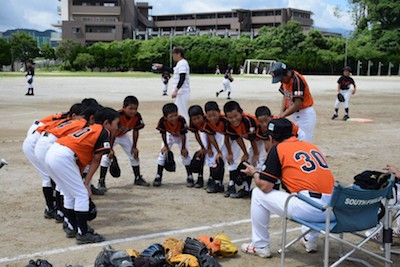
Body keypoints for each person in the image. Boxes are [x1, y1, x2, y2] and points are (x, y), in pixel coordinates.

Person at [240, 118, 335, 258]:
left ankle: (260, 246)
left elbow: (265, 187)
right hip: (333, 209)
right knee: (307, 192)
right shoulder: (311, 146)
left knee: (258, 193)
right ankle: (310, 240)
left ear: (272, 138)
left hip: (310, 209)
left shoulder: (278, 149)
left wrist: (254, 173)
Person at [45, 107, 119, 244]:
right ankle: (83, 233)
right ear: (107, 123)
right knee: (81, 194)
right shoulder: (104, 132)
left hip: (53, 153)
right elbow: (96, 160)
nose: (117, 127)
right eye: (116, 124)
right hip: (63, 156)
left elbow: (82, 157)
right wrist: (87, 184)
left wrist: (81, 180)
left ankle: (72, 227)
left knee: (69, 193)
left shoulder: (92, 128)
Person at [97, 96, 149, 192]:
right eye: (130, 108)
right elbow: (112, 132)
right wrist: (110, 148)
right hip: (113, 136)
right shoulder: (118, 115)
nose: (133, 111)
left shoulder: (137, 116)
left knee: (134, 154)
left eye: (135, 109)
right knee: (106, 156)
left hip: (123, 136)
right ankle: (101, 180)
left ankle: (137, 178)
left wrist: (134, 147)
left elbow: (136, 131)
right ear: (123, 107)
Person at [270, 62, 316, 142]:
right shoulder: (285, 81)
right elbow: (285, 95)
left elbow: (297, 104)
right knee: (295, 140)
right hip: (295, 114)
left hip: (305, 115)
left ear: (287, 74)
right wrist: (281, 112)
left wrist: (283, 115)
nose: (280, 81)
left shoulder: (297, 80)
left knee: (304, 141)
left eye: (281, 78)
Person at [223, 101, 259, 199]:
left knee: (257, 162)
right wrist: (245, 153)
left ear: (241, 112)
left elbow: (253, 139)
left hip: (261, 140)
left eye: (236, 116)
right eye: (230, 117)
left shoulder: (248, 120)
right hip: (254, 141)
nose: (233, 119)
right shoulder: (230, 124)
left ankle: (263, 190)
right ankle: (246, 188)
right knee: (247, 163)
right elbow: (238, 138)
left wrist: (255, 154)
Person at [153, 103, 192, 187]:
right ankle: (158, 175)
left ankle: (190, 176)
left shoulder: (181, 120)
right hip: (169, 136)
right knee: (162, 154)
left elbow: (183, 134)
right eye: (171, 116)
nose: (174, 118)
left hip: (181, 137)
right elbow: (163, 133)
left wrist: (184, 148)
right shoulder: (162, 121)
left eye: (175, 115)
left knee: (185, 155)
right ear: (165, 117)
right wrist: (166, 146)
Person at [153, 46, 191, 122]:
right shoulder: (180, 63)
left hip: (182, 92)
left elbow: (182, 78)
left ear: (178, 54)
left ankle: (185, 128)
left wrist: (176, 90)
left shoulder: (182, 63)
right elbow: (172, 70)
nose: (173, 56)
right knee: (178, 110)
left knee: (182, 112)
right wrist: (162, 67)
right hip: (181, 92)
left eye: (174, 54)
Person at [203, 101, 229, 193]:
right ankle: (215, 180)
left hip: (233, 137)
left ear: (219, 112)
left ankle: (222, 183)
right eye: (209, 116)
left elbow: (227, 137)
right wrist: (216, 150)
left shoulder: (225, 120)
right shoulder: (206, 121)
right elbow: (210, 136)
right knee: (215, 157)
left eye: (214, 115)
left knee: (222, 158)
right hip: (222, 135)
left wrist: (223, 152)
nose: (212, 118)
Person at [187, 105, 210, 188]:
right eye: (194, 119)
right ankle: (200, 177)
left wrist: (209, 148)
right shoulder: (193, 122)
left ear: (203, 116)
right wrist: (202, 147)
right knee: (201, 154)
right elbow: (196, 133)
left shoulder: (208, 121)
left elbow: (210, 135)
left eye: (198, 118)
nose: (197, 121)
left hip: (215, 134)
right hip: (204, 133)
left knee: (211, 155)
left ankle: (212, 178)